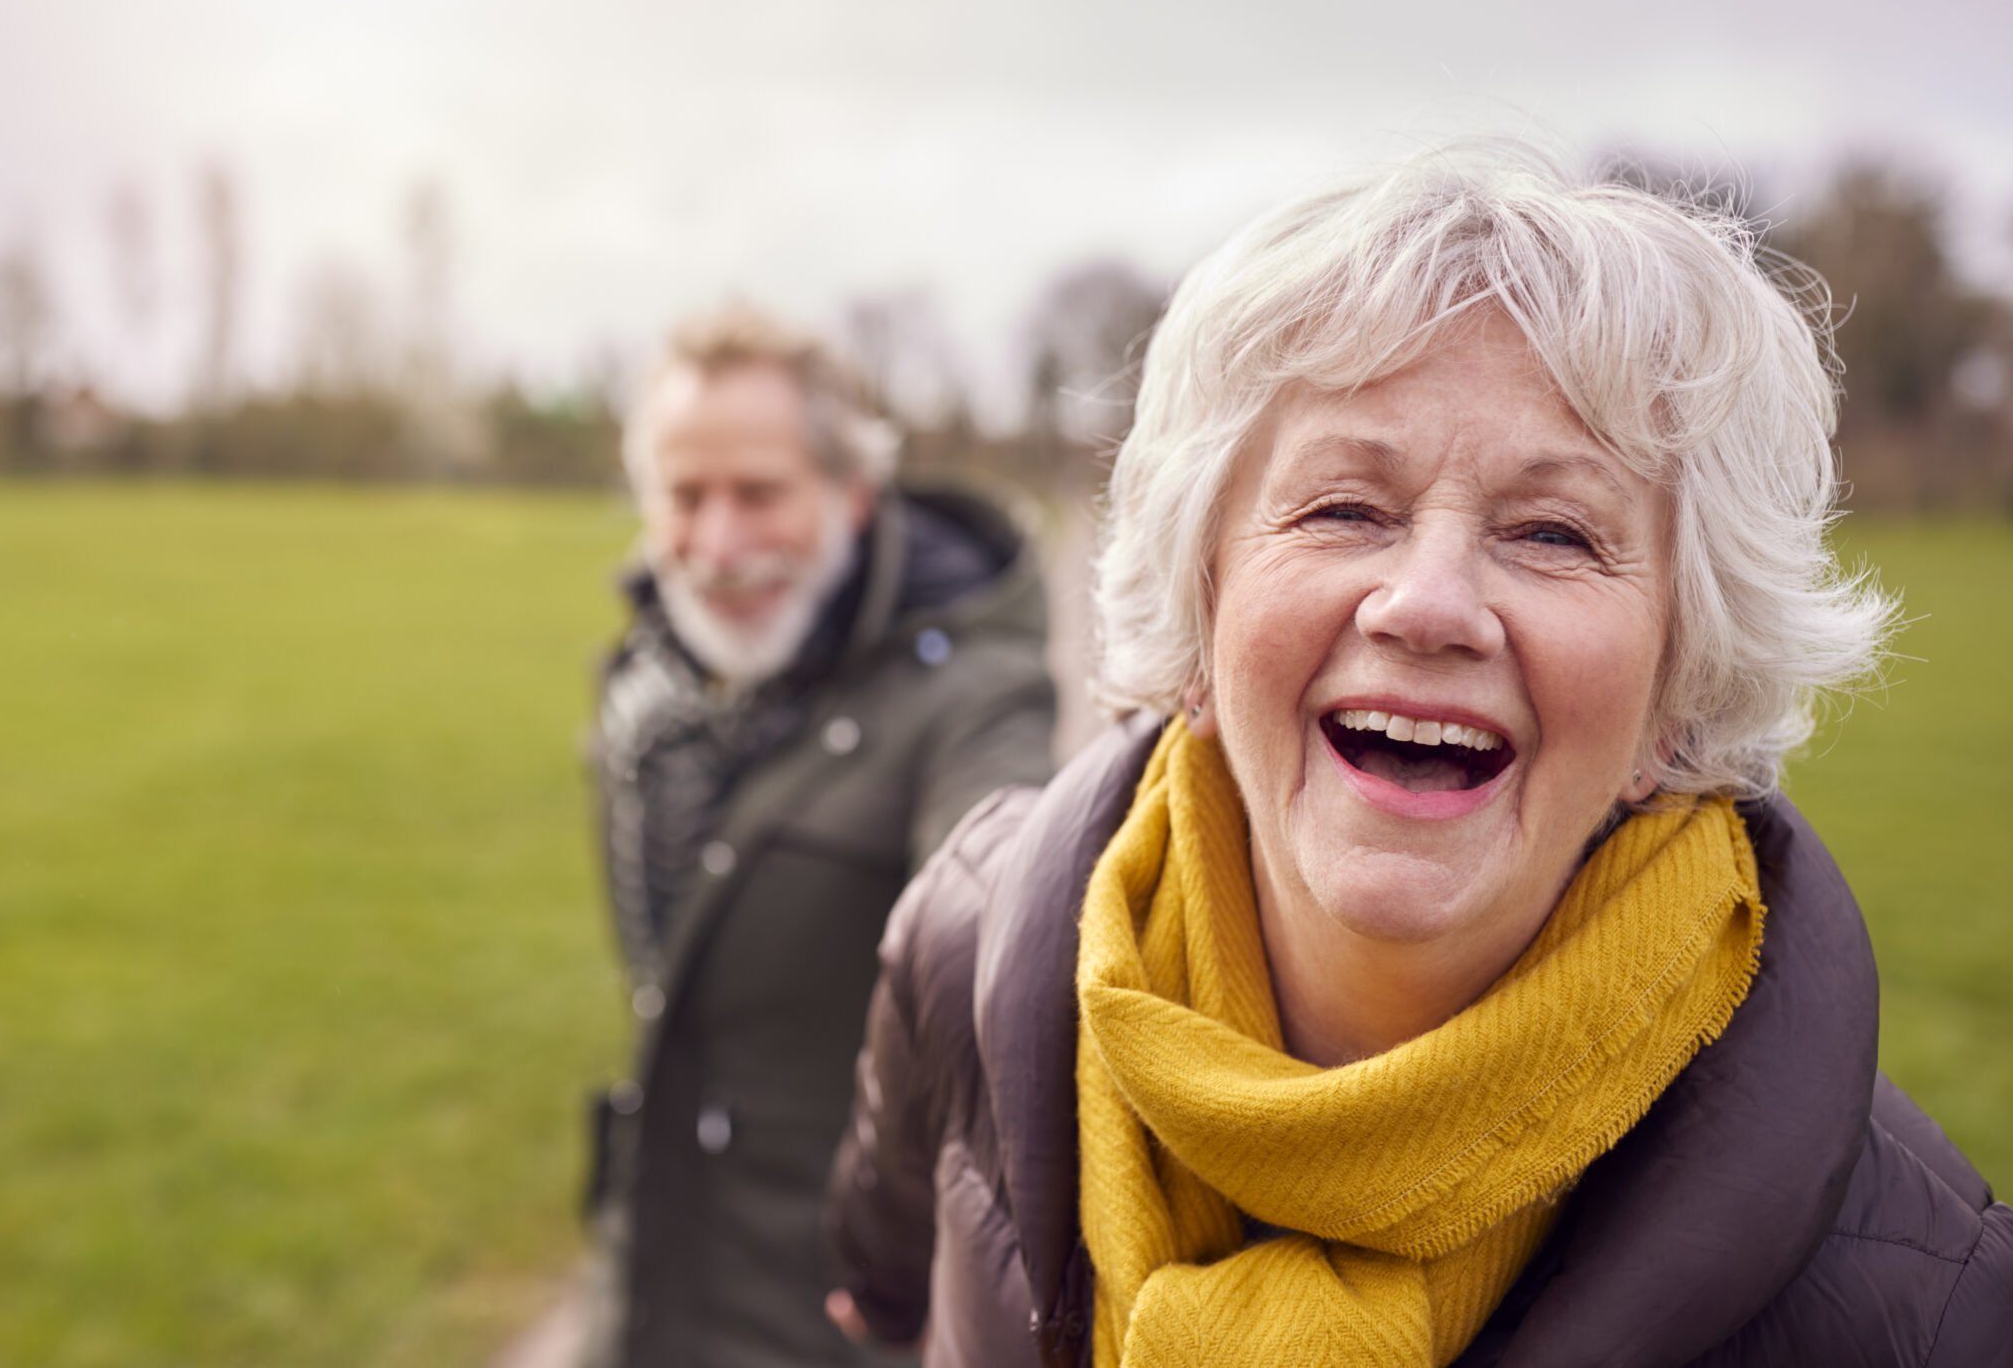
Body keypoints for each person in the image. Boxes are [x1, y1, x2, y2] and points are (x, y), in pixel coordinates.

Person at [824, 144, 2013, 1367]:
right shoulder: (964, 938)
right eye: (1345, 508)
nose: (1427, 604)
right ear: (1199, 607)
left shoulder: (1935, 1312)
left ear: (1681, 689)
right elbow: (880, 1278)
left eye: (1553, 532)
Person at [579, 305, 1058, 1368]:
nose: (715, 543)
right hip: (647, 1290)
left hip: (833, 1324)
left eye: (758, 493)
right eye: (683, 496)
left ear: (850, 492)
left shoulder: (977, 696)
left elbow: (1000, 894)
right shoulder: (645, 689)